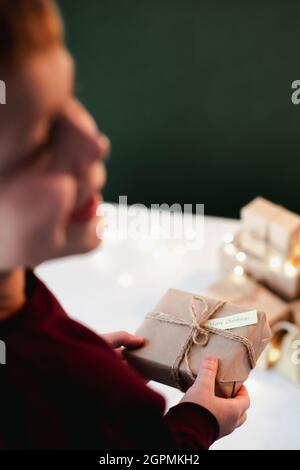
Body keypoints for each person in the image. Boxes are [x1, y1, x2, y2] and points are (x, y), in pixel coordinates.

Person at [0, 0, 250, 449]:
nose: (95, 142)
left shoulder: (20, 299)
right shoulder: (79, 399)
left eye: (69, 98)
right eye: (41, 141)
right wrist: (196, 423)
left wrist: (77, 355)